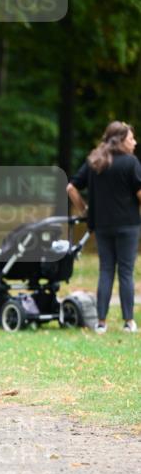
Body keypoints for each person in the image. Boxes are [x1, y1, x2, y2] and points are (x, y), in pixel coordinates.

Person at [67, 120, 141, 333]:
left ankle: (101, 322)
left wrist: (85, 210)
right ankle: (128, 322)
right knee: (126, 272)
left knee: (106, 270)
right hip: (128, 225)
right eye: (131, 138)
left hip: (102, 226)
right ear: (120, 141)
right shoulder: (131, 163)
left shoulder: (95, 162)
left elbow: (71, 188)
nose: (134, 142)